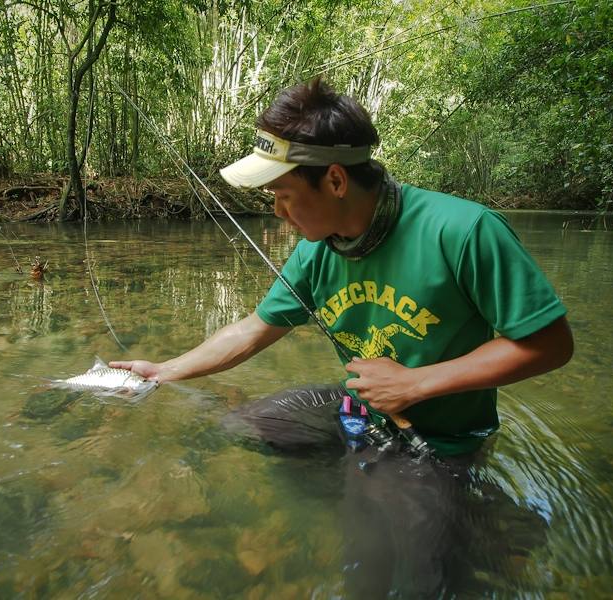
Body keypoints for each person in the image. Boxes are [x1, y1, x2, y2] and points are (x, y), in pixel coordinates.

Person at [111, 78, 573, 596]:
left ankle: (450, 507)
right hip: (359, 410)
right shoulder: (318, 248)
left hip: (438, 440)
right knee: (243, 426)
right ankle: (366, 479)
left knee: (386, 574)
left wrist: (416, 384)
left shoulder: (464, 231)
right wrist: (165, 369)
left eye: (284, 197)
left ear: (334, 180)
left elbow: (549, 344)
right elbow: (256, 327)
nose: (277, 214)